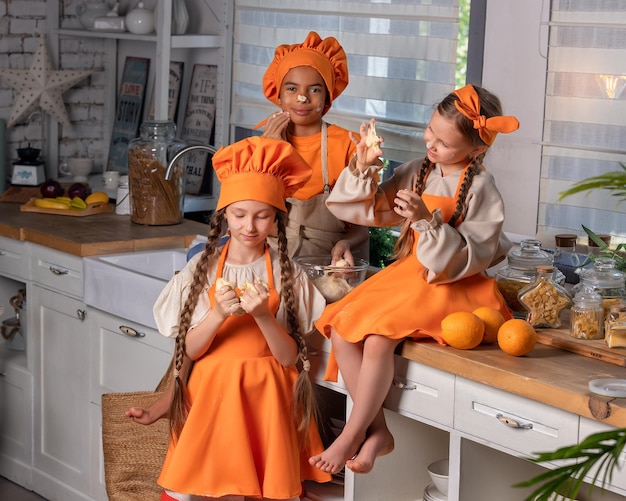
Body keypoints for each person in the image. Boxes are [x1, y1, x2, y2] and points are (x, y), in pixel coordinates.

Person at [308, 84, 520, 476]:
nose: (432, 145)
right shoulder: (418, 170)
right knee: (340, 328)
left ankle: (352, 434)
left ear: (477, 150)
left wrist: (425, 219)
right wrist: (363, 167)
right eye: (430, 132)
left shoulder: (481, 188)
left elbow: (474, 254)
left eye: (445, 143)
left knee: (377, 339)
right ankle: (378, 432)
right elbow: (364, 210)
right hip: (409, 277)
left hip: (452, 283)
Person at [135, 136, 332, 500]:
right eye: (239, 214)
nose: (250, 226)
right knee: (209, 486)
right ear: (224, 214)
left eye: (262, 216)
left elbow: (290, 358)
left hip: (268, 398)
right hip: (211, 396)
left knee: (261, 487)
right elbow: (190, 348)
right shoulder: (202, 269)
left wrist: (262, 316)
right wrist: (218, 314)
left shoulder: (287, 272)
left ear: (277, 218)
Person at [259, 30, 371, 262]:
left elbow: (361, 225)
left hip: (326, 260)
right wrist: (270, 152)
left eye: (315, 89)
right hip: (268, 257)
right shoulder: (262, 143)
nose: (302, 98)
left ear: (328, 98)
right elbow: (250, 216)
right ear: (278, 95)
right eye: (291, 89)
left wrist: (345, 244)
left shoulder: (350, 146)